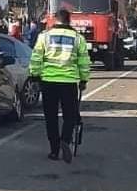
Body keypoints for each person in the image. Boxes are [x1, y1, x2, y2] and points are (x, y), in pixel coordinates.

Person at [29, 9, 91, 163]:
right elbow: (84, 61)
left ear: (54, 20)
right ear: (69, 20)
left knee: (51, 117)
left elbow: (36, 57)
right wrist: (84, 79)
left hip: (48, 81)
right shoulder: (78, 38)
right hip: (69, 82)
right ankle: (66, 139)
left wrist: (34, 75)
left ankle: (54, 150)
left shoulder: (45, 36)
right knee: (70, 114)